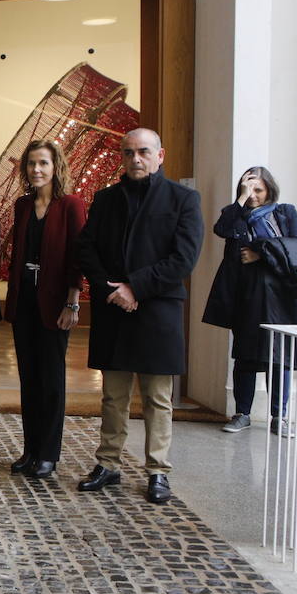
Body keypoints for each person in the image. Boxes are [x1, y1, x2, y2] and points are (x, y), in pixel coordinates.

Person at [77, 127, 202, 504]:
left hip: (158, 310)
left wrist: (136, 287)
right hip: (114, 307)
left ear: (160, 155)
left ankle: (158, 471)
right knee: (112, 396)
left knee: (157, 398)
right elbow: (86, 248)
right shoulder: (105, 198)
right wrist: (112, 290)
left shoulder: (184, 199)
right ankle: (108, 464)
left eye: (143, 152)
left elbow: (184, 258)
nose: (136, 159)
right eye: (129, 152)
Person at [202, 166, 297, 435]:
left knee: (279, 358)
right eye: (248, 190)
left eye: (258, 190)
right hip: (246, 295)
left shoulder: (285, 214)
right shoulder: (236, 215)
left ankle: (278, 417)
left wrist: (261, 253)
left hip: (280, 297)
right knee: (245, 355)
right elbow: (221, 229)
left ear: (269, 190)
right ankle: (242, 413)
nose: (253, 196)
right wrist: (240, 199)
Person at [4, 140, 87, 478]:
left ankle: (49, 454)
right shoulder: (22, 205)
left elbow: (77, 258)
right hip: (24, 301)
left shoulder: (71, 205)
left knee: (51, 381)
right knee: (29, 379)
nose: (36, 170)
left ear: (56, 167)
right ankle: (30, 449)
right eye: (31, 164)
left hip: (55, 304)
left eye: (43, 163)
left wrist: (73, 302)